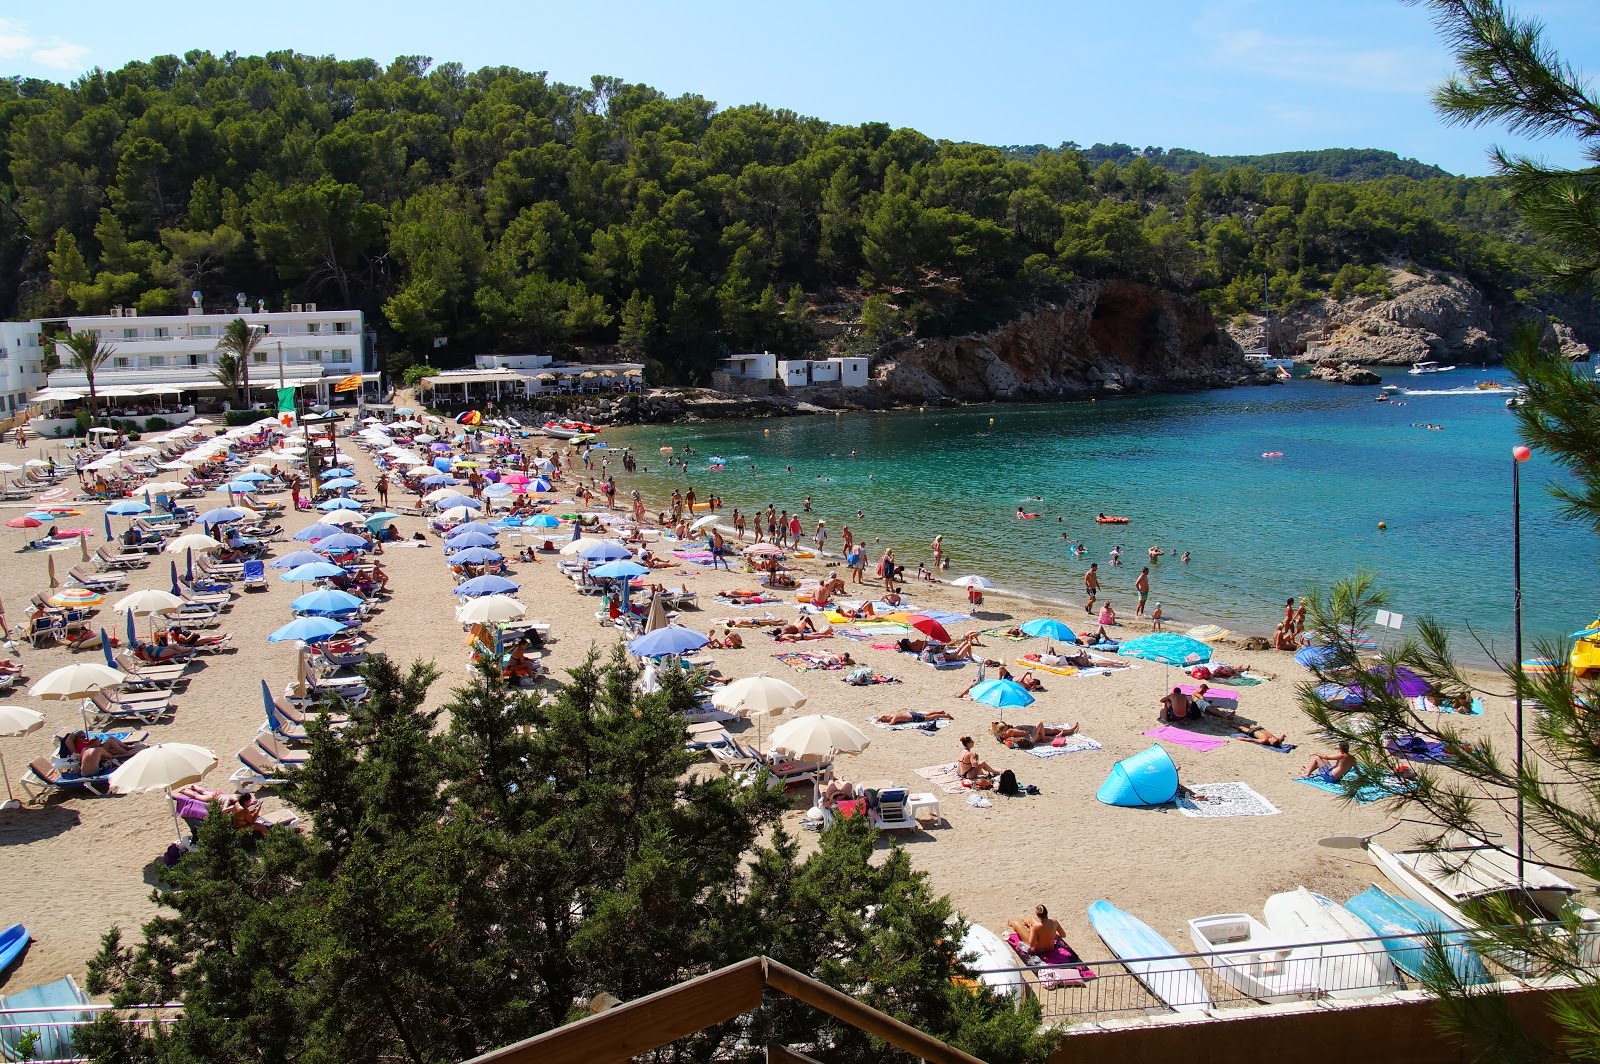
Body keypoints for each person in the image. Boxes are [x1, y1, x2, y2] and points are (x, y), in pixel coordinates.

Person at [58, 730, 140, 775]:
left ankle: (127, 748)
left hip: (92, 758)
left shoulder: (84, 744)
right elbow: (69, 740)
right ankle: (126, 752)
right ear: (77, 738)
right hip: (96, 755)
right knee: (110, 742)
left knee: (111, 739)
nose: (85, 738)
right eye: (83, 737)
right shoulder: (79, 745)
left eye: (85, 736)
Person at [991, 720, 1079, 747]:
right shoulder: (1010, 731)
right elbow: (1024, 732)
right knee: (1040, 724)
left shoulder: (1002, 735)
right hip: (1030, 737)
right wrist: (1033, 731)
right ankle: (1070, 730)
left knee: (1051, 734)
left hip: (1030, 739)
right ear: (1005, 727)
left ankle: (1061, 735)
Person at [876, 709, 955, 725]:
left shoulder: (894, 718)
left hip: (914, 718)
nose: (888, 721)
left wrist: (882, 723)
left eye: (887, 720)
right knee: (928, 714)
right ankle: (940, 711)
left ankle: (945, 715)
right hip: (912, 714)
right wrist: (879, 719)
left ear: (887, 718)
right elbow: (884, 718)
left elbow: (891, 723)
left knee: (930, 717)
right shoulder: (892, 714)